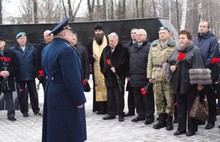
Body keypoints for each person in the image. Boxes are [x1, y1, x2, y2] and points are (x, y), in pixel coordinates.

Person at [41, 17, 87, 142]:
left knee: (54, 130)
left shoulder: (47, 48)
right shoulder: (67, 50)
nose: (72, 36)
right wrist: (79, 100)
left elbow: (45, 71)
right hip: (65, 95)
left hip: (51, 91)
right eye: (71, 33)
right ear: (65, 34)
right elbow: (72, 79)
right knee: (69, 131)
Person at [169, 30, 211, 136]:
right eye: (180, 38)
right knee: (180, 106)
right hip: (178, 83)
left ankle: (192, 128)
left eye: (183, 38)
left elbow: (200, 66)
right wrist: (171, 67)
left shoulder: (195, 50)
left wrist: (200, 83)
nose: (181, 40)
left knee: (191, 107)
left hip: (190, 83)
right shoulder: (176, 50)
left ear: (189, 39)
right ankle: (181, 128)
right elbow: (170, 61)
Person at [147, 26, 175, 130]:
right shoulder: (154, 45)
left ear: (168, 34)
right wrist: (149, 75)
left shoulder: (173, 45)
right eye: (160, 33)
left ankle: (169, 120)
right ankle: (161, 119)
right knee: (158, 98)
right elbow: (149, 61)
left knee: (169, 98)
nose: (161, 34)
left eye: (164, 32)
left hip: (167, 74)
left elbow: (176, 61)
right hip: (156, 74)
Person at [192, 20, 219, 129]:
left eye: (204, 26)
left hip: (208, 73)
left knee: (210, 97)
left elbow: (213, 57)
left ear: (208, 28)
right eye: (200, 26)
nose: (201, 28)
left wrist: (202, 68)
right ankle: (201, 117)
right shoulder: (195, 41)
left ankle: (211, 120)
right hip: (196, 73)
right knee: (200, 96)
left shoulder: (213, 40)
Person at [100, 32, 129, 122]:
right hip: (109, 77)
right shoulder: (106, 49)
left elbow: (125, 62)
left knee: (119, 95)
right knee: (110, 96)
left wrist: (117, 69)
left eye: (112, 41)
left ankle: (120, 113)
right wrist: (104, 71)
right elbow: (102, 62)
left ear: (117, 40)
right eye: (109, 41)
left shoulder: (123, 50)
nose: (110, 42)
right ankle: (111, 113)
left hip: (118, 76)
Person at [11, 32, 40, 117]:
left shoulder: (31, 48)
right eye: (20, 38)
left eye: (24, 38)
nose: (22, 40)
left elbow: (36, 61)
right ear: (17, 40)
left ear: (26, 39)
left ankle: (36, 110)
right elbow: (12, 63)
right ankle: (24, 111)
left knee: (33, 93)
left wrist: (36, 72)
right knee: (22, 94)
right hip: (19, 76)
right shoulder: (13, 49)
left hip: (30, 75)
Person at [130, 29, 155, 124]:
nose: (138, 37)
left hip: (145, 77)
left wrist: (150, 75)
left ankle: (149, 116)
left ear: (145, 36)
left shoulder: (150, 46)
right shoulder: (133, 47)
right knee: (137, 98)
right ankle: (140, 114)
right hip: (135, 76)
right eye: (137, 35)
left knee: (148, 99)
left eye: (140, 35)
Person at [87, 23, 108, 114]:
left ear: (103, 32)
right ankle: (100, 108)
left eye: (99, 31)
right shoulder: (91, 43)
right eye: (96, 31)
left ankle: (108, 108)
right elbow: (87, 56)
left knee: (107, 88)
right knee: (98, 88)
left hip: (107, 70)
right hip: (96, 70)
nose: (98, 33)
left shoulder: (108, 41)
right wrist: (92, 56)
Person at [0, 36, 17, 121]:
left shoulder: (11, 53)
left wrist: (9, 72)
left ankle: (11, 115)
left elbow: (15, 65)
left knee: (9, 97)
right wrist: (0, 73)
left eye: (1, 41)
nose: (0, 43)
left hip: (8, 77)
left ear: (4, 43)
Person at [124, 28, 137, 117]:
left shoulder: (142, 45)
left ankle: (141, 111)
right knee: (131, 93)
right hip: (130, 73)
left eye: (135, 33)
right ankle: (131, 110)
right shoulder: (127, 46)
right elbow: (125, 61)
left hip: (139, 73)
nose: (133, 35)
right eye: (132, 33)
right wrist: (127, 74)